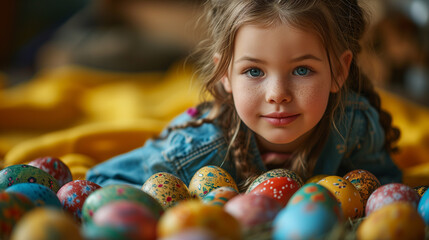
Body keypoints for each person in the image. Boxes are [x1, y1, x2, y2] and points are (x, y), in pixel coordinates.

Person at [86, 0, 402, 190]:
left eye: (302, 70)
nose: (278, 95)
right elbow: (101, 181)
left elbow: (382, 188)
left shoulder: (355, 127)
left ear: (339, 70)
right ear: (225, 74)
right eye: (254, 71)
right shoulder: (199, 152)